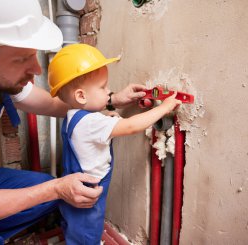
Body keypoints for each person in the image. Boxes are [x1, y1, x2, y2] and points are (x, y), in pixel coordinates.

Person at [0, 0, 148, 244]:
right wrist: (59, 188)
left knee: (46, 191)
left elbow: (52, 104)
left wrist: (111, 99)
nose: (37, 70)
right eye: (22, 58)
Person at [47, 43, 182, 244]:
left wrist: (109, 113)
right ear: (81, 96)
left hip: (74, 186)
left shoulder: (72, 116)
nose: (109, 91)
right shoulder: (93, 123)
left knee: (73, 227)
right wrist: (165, 108)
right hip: (89, 192)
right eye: (103, 87)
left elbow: (93, 129)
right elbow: (130, 127)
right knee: (87, 232)